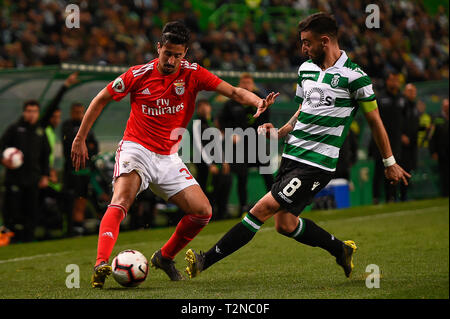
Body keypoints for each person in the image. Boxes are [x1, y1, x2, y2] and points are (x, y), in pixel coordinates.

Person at [185, 12, 411, 280]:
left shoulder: (355, 77)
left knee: (261, 210)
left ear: (325, 41)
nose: (303, 48)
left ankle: (204, 260)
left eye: (307, 42)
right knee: (285, 224)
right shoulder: (306, 70)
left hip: (316, 164)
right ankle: (339, 249)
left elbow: (375, 122)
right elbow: (304, 108)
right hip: (292, 156)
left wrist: (389, 162)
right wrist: (280, 133)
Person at [70, 21, 279, 287]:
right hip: (137, 148)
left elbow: (235, 92)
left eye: (177, 55)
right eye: (167, 53)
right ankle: (101, 263)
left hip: (169, 157)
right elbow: (101, 98)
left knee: (203, 212)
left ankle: (165, 257)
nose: (171, 60)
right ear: (158, 48)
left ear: (185, 53)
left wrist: (257, 101)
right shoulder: (138, 74)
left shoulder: (194, 74)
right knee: (122, 199)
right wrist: (80, 138)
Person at [217, 72, 274, 214]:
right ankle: (243, 207)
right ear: (240, 85)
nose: (246, 85)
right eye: (244, 83)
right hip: (239, 147)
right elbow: (221, 121)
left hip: (257, 144)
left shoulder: (260, 100)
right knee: (242, 176)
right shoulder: (230, 103)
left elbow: (266, 120)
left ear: (252, 84)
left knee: (267, 174)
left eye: (249, 83)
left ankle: (274, 204)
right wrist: (230, 134)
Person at [0, 100, 50, 242]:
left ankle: (29, 238)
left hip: (33, 178)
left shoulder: (40, 131)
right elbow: (1, 146)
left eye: (34, 111)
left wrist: (45, 175)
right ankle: (10, 237)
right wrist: (3, 159)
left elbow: (45, 154)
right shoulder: (14, 129)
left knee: (31, 210)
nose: (31, 114)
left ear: (38, 113)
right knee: (12, 210)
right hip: (14, 178)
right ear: (24, 112)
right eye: (28, 111)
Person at [62, 102, 99, 236]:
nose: (79, 115)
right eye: (76, 112)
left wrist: (88, 148)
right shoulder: (67, 126)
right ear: (72, 113)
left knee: (83, 198)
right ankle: (71, 227)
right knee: (72, 199)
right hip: (72, 171)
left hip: (86, 171)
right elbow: (70, 147)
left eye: (81, 112)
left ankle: (79, 225)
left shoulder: (87, 126)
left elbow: (94, 147)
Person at [369, 72, 405, 203]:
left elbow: (404, 118)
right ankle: (376, 197)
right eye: (392, 80)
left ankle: (392, 197)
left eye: (397, 80)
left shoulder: (402, 98)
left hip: (396, 142)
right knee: (379, 170)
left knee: (394, 168)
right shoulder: (381, 98)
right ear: (387, 82)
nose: (395, 82)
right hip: (381, 141)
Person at [193, 99, 232, 220]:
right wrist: (210, 164)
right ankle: (206, 214)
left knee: (224, 184)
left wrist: (224, 161)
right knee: (205, 188)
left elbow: (218, 144)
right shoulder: (197, 123)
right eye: (201, 106)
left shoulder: (214, 122)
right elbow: (199, 146)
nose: (205, 108)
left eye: (206, 105)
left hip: (217, 162)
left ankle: (221, 213)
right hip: (203, 163)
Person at [399, 83, 420, 201]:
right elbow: (396, 122)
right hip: (402, 146)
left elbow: (413, 125)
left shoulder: (414, 107)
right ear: (405, 92)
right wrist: (401, 135)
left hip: (412, 145)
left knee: (408, 169)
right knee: (402, 169)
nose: (412, 94)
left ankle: (404, 195)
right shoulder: (402, 105)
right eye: (410, 91)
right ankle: (398, 196)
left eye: (414, 91)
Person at [429, 98, 449, 197]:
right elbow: (431, 137)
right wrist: (433, 151)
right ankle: (445, 194)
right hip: (442, 152)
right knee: (444, 174)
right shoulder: (437, 119)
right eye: (445, 106)